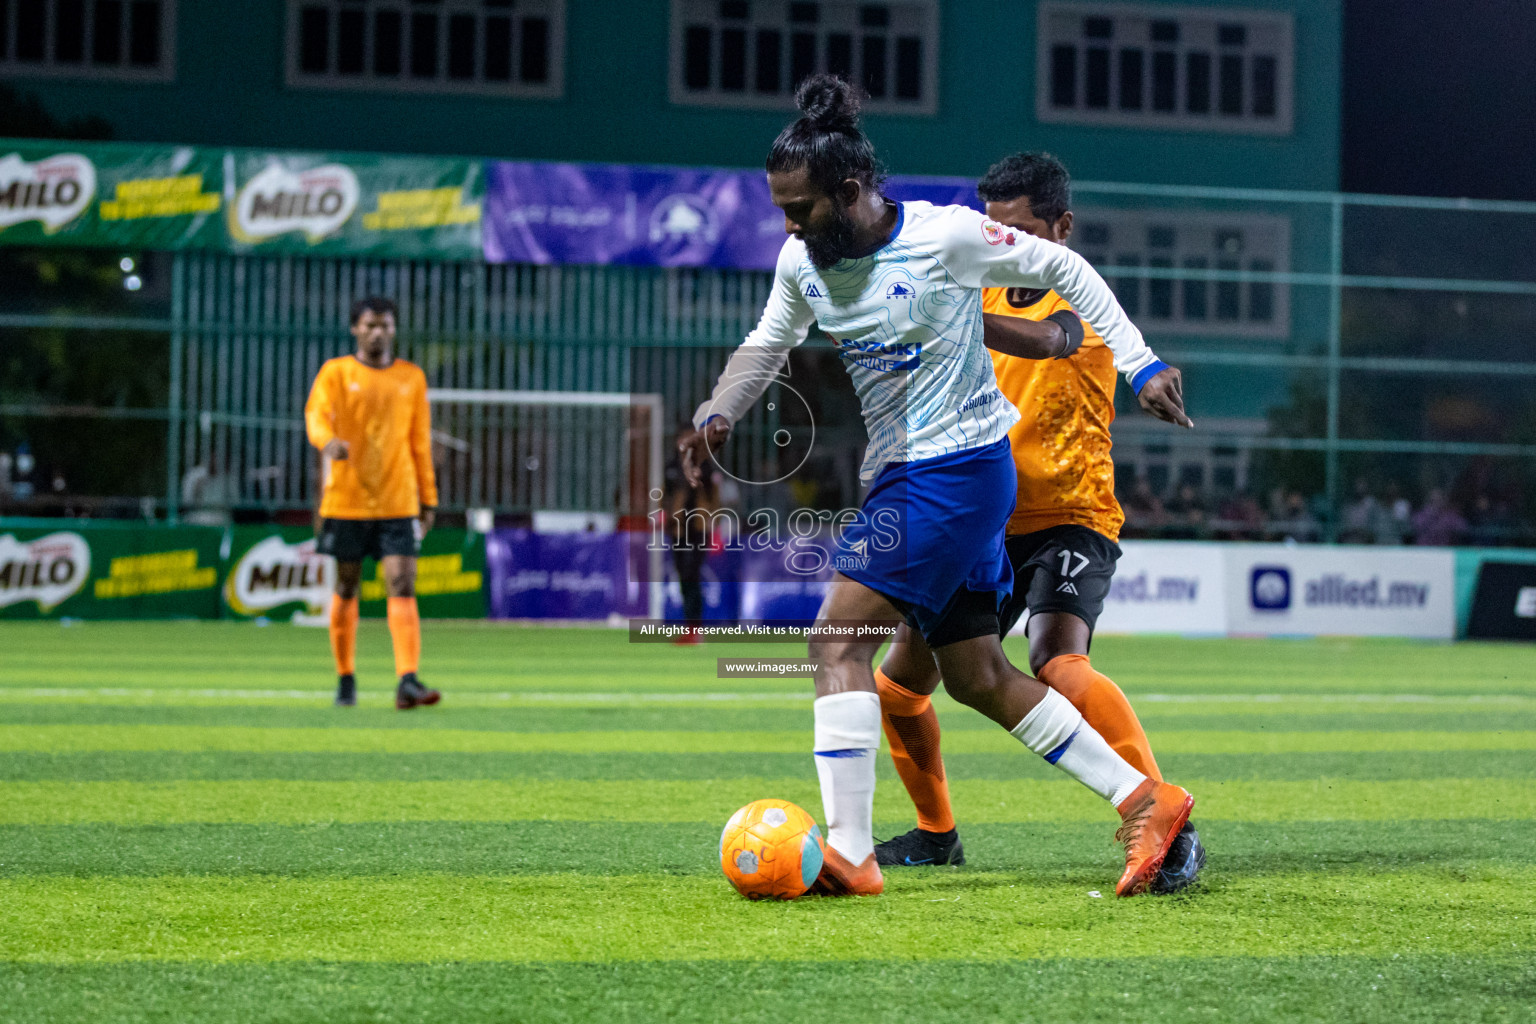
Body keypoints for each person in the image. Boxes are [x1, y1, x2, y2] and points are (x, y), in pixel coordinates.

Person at [680, 76, 1195, 898]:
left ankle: (850, 853)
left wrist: (1140, 363)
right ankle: (1146, 800)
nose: (789, 226)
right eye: (781, 209)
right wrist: (718, 409)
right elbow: (765, 343)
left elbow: (1066, 268)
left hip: (952, 472)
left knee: (834, 645)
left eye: (802, 208)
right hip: (912, 475)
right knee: (977, 676)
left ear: (851, 192)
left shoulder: (946, 238)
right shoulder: (802, 262)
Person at [866, 152, 1204, 894]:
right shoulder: (980, 284)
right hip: (982, 521)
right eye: (996, 228)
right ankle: (935, 836)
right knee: (899, 687)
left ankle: (1161, 817)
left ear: (1062, 227)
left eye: (1022, 228)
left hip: (1069, 519)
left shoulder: (1077, 303)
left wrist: (941, 314)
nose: (1007, 241)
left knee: (1056, 660)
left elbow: (1045, 341)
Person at [304, 296, 441, 710]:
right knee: (347, 585)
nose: (378, 332)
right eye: (370, 325)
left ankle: (408, 680)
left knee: (402, 582)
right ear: (355, 329)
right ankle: (346, 677)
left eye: (385, 325)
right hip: (346, 501)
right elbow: (315, 416)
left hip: (398, 500)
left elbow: (420, 441)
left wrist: (428, 497)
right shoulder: (336, 373)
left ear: (394, 330)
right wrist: (327, 443)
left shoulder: (411, 378)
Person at [664, 424, 724, 644]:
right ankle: (690, 626)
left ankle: (695, 628)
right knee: (683, 576)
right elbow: (666, 495)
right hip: (678, 529)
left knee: (691, 575)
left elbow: (714, 498)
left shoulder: (706, 466)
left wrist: (714, 527)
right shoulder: (671, 466)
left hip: (698, 530)